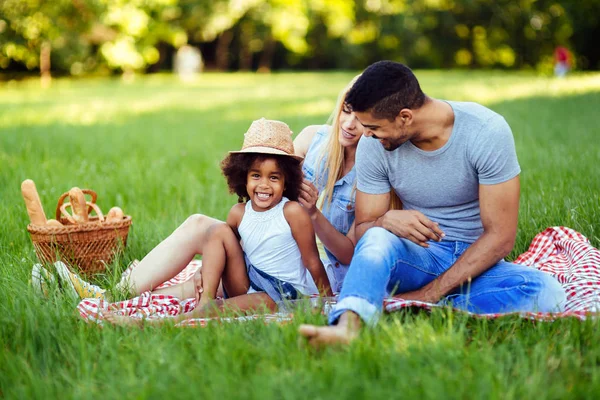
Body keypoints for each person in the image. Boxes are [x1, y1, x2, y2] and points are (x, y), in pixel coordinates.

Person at [299, 61, 567, 346]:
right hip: (418, 256)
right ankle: (347, 327)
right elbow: (365, 232)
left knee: (547, 293)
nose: (366, 134)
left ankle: (413, 306)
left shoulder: (485, 132)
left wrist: (428, 294)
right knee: (378, 236)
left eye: (374, 127)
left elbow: (500, 238)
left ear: (404, 116)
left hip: (476, 261)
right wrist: (385, 221)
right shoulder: (373, 145)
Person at [36, 77, 365, 304]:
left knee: (211, 278)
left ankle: (106, 298)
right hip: (271, 240)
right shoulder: (315, 139)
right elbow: (271, 171)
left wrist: (314, 214)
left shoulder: (371, 171)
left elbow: (349, 253)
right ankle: (110, 295)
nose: (349, 124)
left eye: (361, 118)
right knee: (202, 230)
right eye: (346, 111)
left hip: (308, 264)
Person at [106, 118, 333, 324]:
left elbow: (312, 261)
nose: (264, 185)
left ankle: (164, 322)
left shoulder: (292, 211)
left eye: (274, 177)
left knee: (244, 304)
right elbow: (224, 250)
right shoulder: (239, 213)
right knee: (218, 231)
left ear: (286, 182)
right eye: (256, 176)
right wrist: (205, 272)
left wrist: (327, 301)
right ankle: (205, 300)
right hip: (248, 280)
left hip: (282, 292)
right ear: (242, 177)